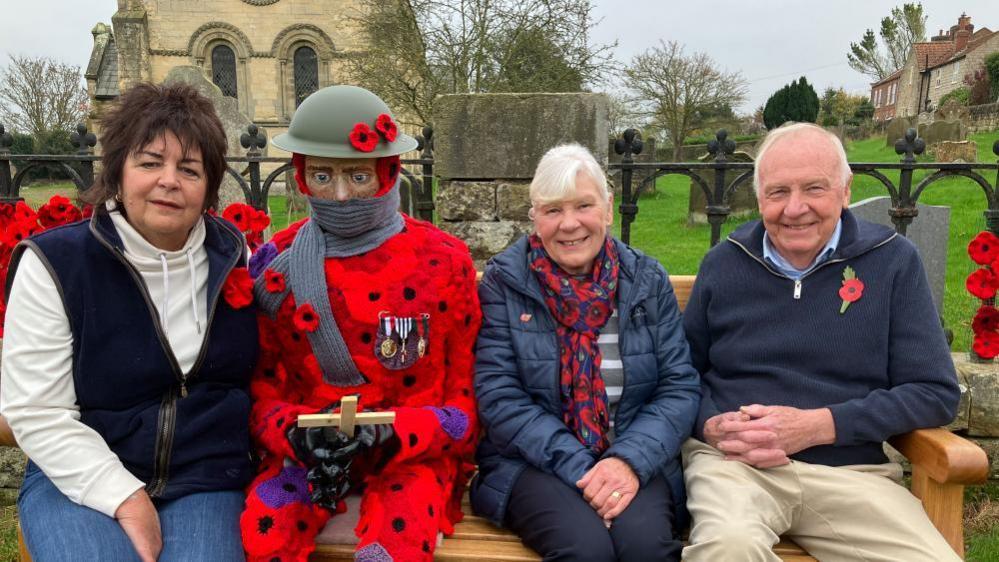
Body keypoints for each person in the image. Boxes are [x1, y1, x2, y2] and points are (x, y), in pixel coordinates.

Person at [1, 83, 259, 561]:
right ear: (117, 172)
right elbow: (37, 411)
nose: (169, 180)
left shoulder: (233, 256)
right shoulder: (56, 263)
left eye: (189, 169)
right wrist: (125, 497)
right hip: (74, 473)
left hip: (204, 474)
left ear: (209, 187)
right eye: (149, 162)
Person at [681, 122, 961, 561]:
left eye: (814, 188)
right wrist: (709, 425)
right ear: (759, 199)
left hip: (851, 473)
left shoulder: (892, 262)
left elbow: (935, 393)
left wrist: (819, 425)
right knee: (727, 547)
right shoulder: (724, 263)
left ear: (845, 191)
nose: (795, 209)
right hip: (737, 467)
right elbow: (680, 376)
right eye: (777, 193)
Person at [240, 85, 481, 562]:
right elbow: (262, 390)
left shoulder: (444, 261)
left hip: (413, 455)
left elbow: (463, 405)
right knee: (264, 534)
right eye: (324, 176)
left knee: (389, 551)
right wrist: (294, 435)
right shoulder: (277, 265)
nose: (342, 195)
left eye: (358, 176)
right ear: (304, 177)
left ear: (387, 173)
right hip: (311, 453)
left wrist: (401, 434)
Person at [471, 144, 701, 561]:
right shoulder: (505, 285)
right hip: (534, 462)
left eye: (583, 205)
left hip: (634, 453)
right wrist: (583, 469)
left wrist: (627, 462)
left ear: (609, 209)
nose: (569, 223)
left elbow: (678, 387)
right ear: (535, 217)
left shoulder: (646, 281)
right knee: (584, 550)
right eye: (553, 210)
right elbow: (499, 397)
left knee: (646, 547)